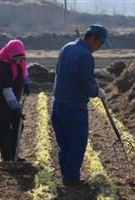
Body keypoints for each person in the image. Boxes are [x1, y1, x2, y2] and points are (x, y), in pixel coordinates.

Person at [51, 25, 109, 185]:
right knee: (78, 142)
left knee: (64, 143)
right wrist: (97, 91)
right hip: (74, 107)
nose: (99, 47)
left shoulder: (66, 48)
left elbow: (60, 72)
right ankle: (71, 178)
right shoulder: (86, 56)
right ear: (92, 38)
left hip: (57, 103)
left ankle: (67, 174)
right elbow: (86, 85)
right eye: (100, 43)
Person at [0, 39, 31, 161]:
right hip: (0, 100)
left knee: (18, 125)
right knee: (5, 126)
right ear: (10, 54)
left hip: (12, 97)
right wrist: (16, 109)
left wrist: (26, 83)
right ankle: (7, 158)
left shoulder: (19, 62)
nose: (18, 60)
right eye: (16, 58)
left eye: (20, 58)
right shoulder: (3, 67)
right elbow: (7, 91)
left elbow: (24, 71)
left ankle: (14, 153)